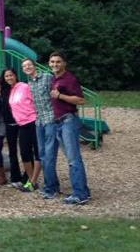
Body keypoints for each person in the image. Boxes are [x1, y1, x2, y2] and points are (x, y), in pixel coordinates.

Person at [46, 52, 91, 205]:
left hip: (68, 121)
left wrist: (60, 96)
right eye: (52, 62)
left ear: (64, 63)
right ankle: (84, 191)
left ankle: (80, 194)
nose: (54, 65)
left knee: (73, 159)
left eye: (58, 62)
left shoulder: (69, 79)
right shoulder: (54, 79)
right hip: (57, 122)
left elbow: (81, 100)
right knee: (71, 158)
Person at [23, 58, 55, 198]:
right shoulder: (29, 84)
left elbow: (56, 92)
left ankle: (51, 187)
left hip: (51, 119)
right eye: (24, 66)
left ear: (34, 66)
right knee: (42, 155)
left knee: (49, 154)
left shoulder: (47, 78)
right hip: (39, 121)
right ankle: (51, 185)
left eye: (29, 65)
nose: (27, 67)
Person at [5, 68, 41, 192]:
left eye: (11, 75)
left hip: (33, 121)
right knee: (24, 153)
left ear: (15, 76)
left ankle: (33, 180)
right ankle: (31, 180)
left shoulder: (24, 86)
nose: (9, 78)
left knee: (37, 152)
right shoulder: (11, 90)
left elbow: (35, 101)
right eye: (6, 76)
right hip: (22, 125)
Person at [0, 68, 23, 188]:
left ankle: (25, 175)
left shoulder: (5, 88)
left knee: (22, 149)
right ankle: (5, 175)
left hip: (15, 120)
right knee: (1, 148)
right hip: (0, 124)